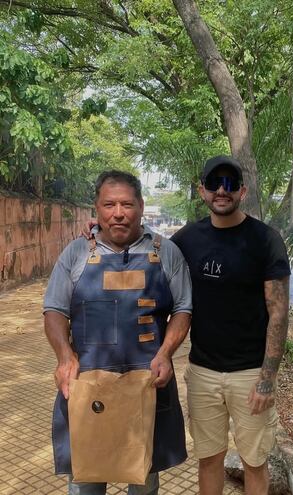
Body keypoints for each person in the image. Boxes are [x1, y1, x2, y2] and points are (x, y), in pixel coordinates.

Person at [43, 170, 192, 495]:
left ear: (140, 206)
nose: (119, 212)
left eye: (127, 203)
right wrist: (64, 357)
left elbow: (183, 308)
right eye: (109, 204)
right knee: (85, 481)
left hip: (147, 385)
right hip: (88, 388)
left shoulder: (165, 252)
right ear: (96, 209)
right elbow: (54, 309)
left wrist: (166, 353)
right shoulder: (77, 254)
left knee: (144, 480)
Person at [171, 155, 290, 495]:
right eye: (214, 183)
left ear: (242, 190)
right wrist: (97, 232)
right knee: (209, 459)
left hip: (251, 374)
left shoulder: (265, 239)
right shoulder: (187, 239)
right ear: (202, 191)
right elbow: (146, 252)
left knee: (254, 461)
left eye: (230, 184)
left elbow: (278, 312)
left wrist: (267, 378)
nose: (221, 190)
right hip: (203, 372)